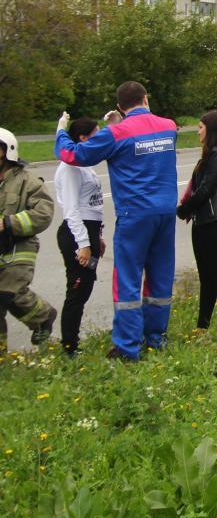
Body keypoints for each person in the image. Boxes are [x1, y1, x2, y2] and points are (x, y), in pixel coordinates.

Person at [56, 81, 178, 361]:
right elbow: (145, 135)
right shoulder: (169, 126)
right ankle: (156, 338)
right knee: (160, 276)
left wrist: (61, 131)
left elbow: (73, 155)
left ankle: (126, 347)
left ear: (121, 106)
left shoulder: (115, 133)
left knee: (127, 279)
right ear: (146, 99)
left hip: (134, 215)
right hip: (165, 213)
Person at [177, 110, 217, 330]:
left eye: (201, 127)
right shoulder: (211, 154)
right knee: (206, 276)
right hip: (203, 220)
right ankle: (202, 325)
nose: (197, 131)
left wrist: (183, 209)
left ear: (212, 130)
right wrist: (190, 210)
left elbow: (206, 189)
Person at [0, 127, 57, 350]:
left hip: (18, 247)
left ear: (5, 150)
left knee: (9, 293)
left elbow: (44, 213)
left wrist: (9, 223)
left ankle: (43, 317)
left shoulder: (27, 182)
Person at [53, 117, 106, 355]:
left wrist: (99, 237)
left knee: (84, 287)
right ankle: (69, 347)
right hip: (77, 234)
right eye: (96, 133)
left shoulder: (85, 163)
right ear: (83, 138)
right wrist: (84, 244)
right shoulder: (71, 168)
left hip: (90, 231)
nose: (101, 136)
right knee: (77, 289)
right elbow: (72, 210)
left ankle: (72, 343)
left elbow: (93, 204)